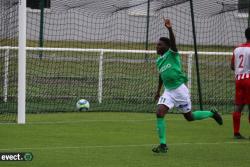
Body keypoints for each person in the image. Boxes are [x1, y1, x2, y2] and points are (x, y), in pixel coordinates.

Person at [152, 18, 223, 153]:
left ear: (166, 47)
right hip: (168, 92)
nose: (157, 47)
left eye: (160, 45)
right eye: (157, 45)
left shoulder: (172, 54)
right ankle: (163, 145)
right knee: (159, 112)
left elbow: (173, 43)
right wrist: (158, 91)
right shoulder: (159, 60)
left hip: (180, 90)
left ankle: (212, 114)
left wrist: (169, 29)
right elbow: (161, 75)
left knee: (189, 117)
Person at [230, 27, 250, 139]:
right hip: (249, 79)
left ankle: (236, 132)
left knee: (239, 106)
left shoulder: (237, 49)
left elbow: (232, 66)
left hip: (239, 80)